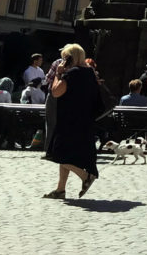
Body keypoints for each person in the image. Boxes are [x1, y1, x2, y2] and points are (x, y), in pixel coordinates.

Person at [42, 43, 101, 199]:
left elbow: (55, 92)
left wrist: (58, 74)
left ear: (69, 58)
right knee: (66, 152)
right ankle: (60, 189)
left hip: (69, 120)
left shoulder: (73, 73)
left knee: (57, 153)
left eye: (64, 58)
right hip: (85, 120)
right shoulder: (90, 72)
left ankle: (85, 176)